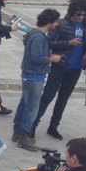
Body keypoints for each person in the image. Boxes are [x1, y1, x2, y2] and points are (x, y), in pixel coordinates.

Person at [36, 0, 86, 141]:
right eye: (78, 14)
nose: (81, 17)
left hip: (75, 68)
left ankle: (53, 126)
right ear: (72, 11)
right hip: (60, 65)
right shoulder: (61, 24)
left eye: (84, 15)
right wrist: (68, 43)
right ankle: (33, 124)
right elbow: (49, 43)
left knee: (63, 99)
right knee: (48, 96)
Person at [12, 8, 60, 149]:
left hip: (28, 75)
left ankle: (17, 131)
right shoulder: (39, 37)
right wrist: (51, 59)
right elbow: (36, 57)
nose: (57, 24)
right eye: (56, 21)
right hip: (34, 76)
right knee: (31, 107)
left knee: (24, 103)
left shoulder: (34, 34)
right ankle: (24, 136)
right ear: (50, 22)